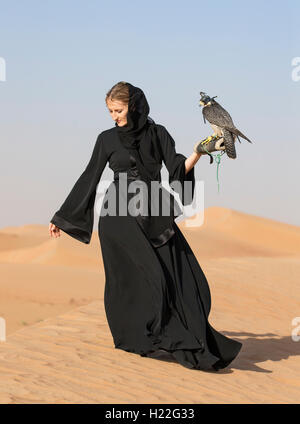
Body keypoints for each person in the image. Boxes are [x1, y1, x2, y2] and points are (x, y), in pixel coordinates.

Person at [49, 81, 242, 371]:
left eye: (118, 110)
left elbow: (176, 169)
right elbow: (90, 176)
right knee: (138, 280)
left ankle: (182, 336)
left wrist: (200, 151)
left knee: (185, 276)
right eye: (110, 111)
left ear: (135, 106)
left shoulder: (158, 134)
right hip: (119, 218)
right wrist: (62, 217)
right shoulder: (106, 139)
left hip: (154, 212)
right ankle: (142, 339)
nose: (114, 116)